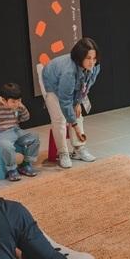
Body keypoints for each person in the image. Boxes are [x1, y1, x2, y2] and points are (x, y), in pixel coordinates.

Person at [42, 37, 100, 169]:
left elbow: (86, 86)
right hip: (53, 82)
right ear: (80, 57)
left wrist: (78, 103)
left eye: (94, 58)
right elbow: (65, 100)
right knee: (59, 119)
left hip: (72, 85)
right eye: (88, 58)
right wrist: (75, 126)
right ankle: (63, 152)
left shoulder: (96, 66)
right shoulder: (69, 72)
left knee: (77, 113)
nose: (92, 62)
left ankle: (79, 148)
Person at [0, 82, 40, 181]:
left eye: (19, 100)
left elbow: (26, 117)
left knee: (34, 137)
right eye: (13, 102)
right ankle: (12, 169)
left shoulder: (18, 104)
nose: (17, 103)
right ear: (4, 100)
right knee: (7, 147)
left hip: (15, 130)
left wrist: (21, 108)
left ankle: (25, 164)